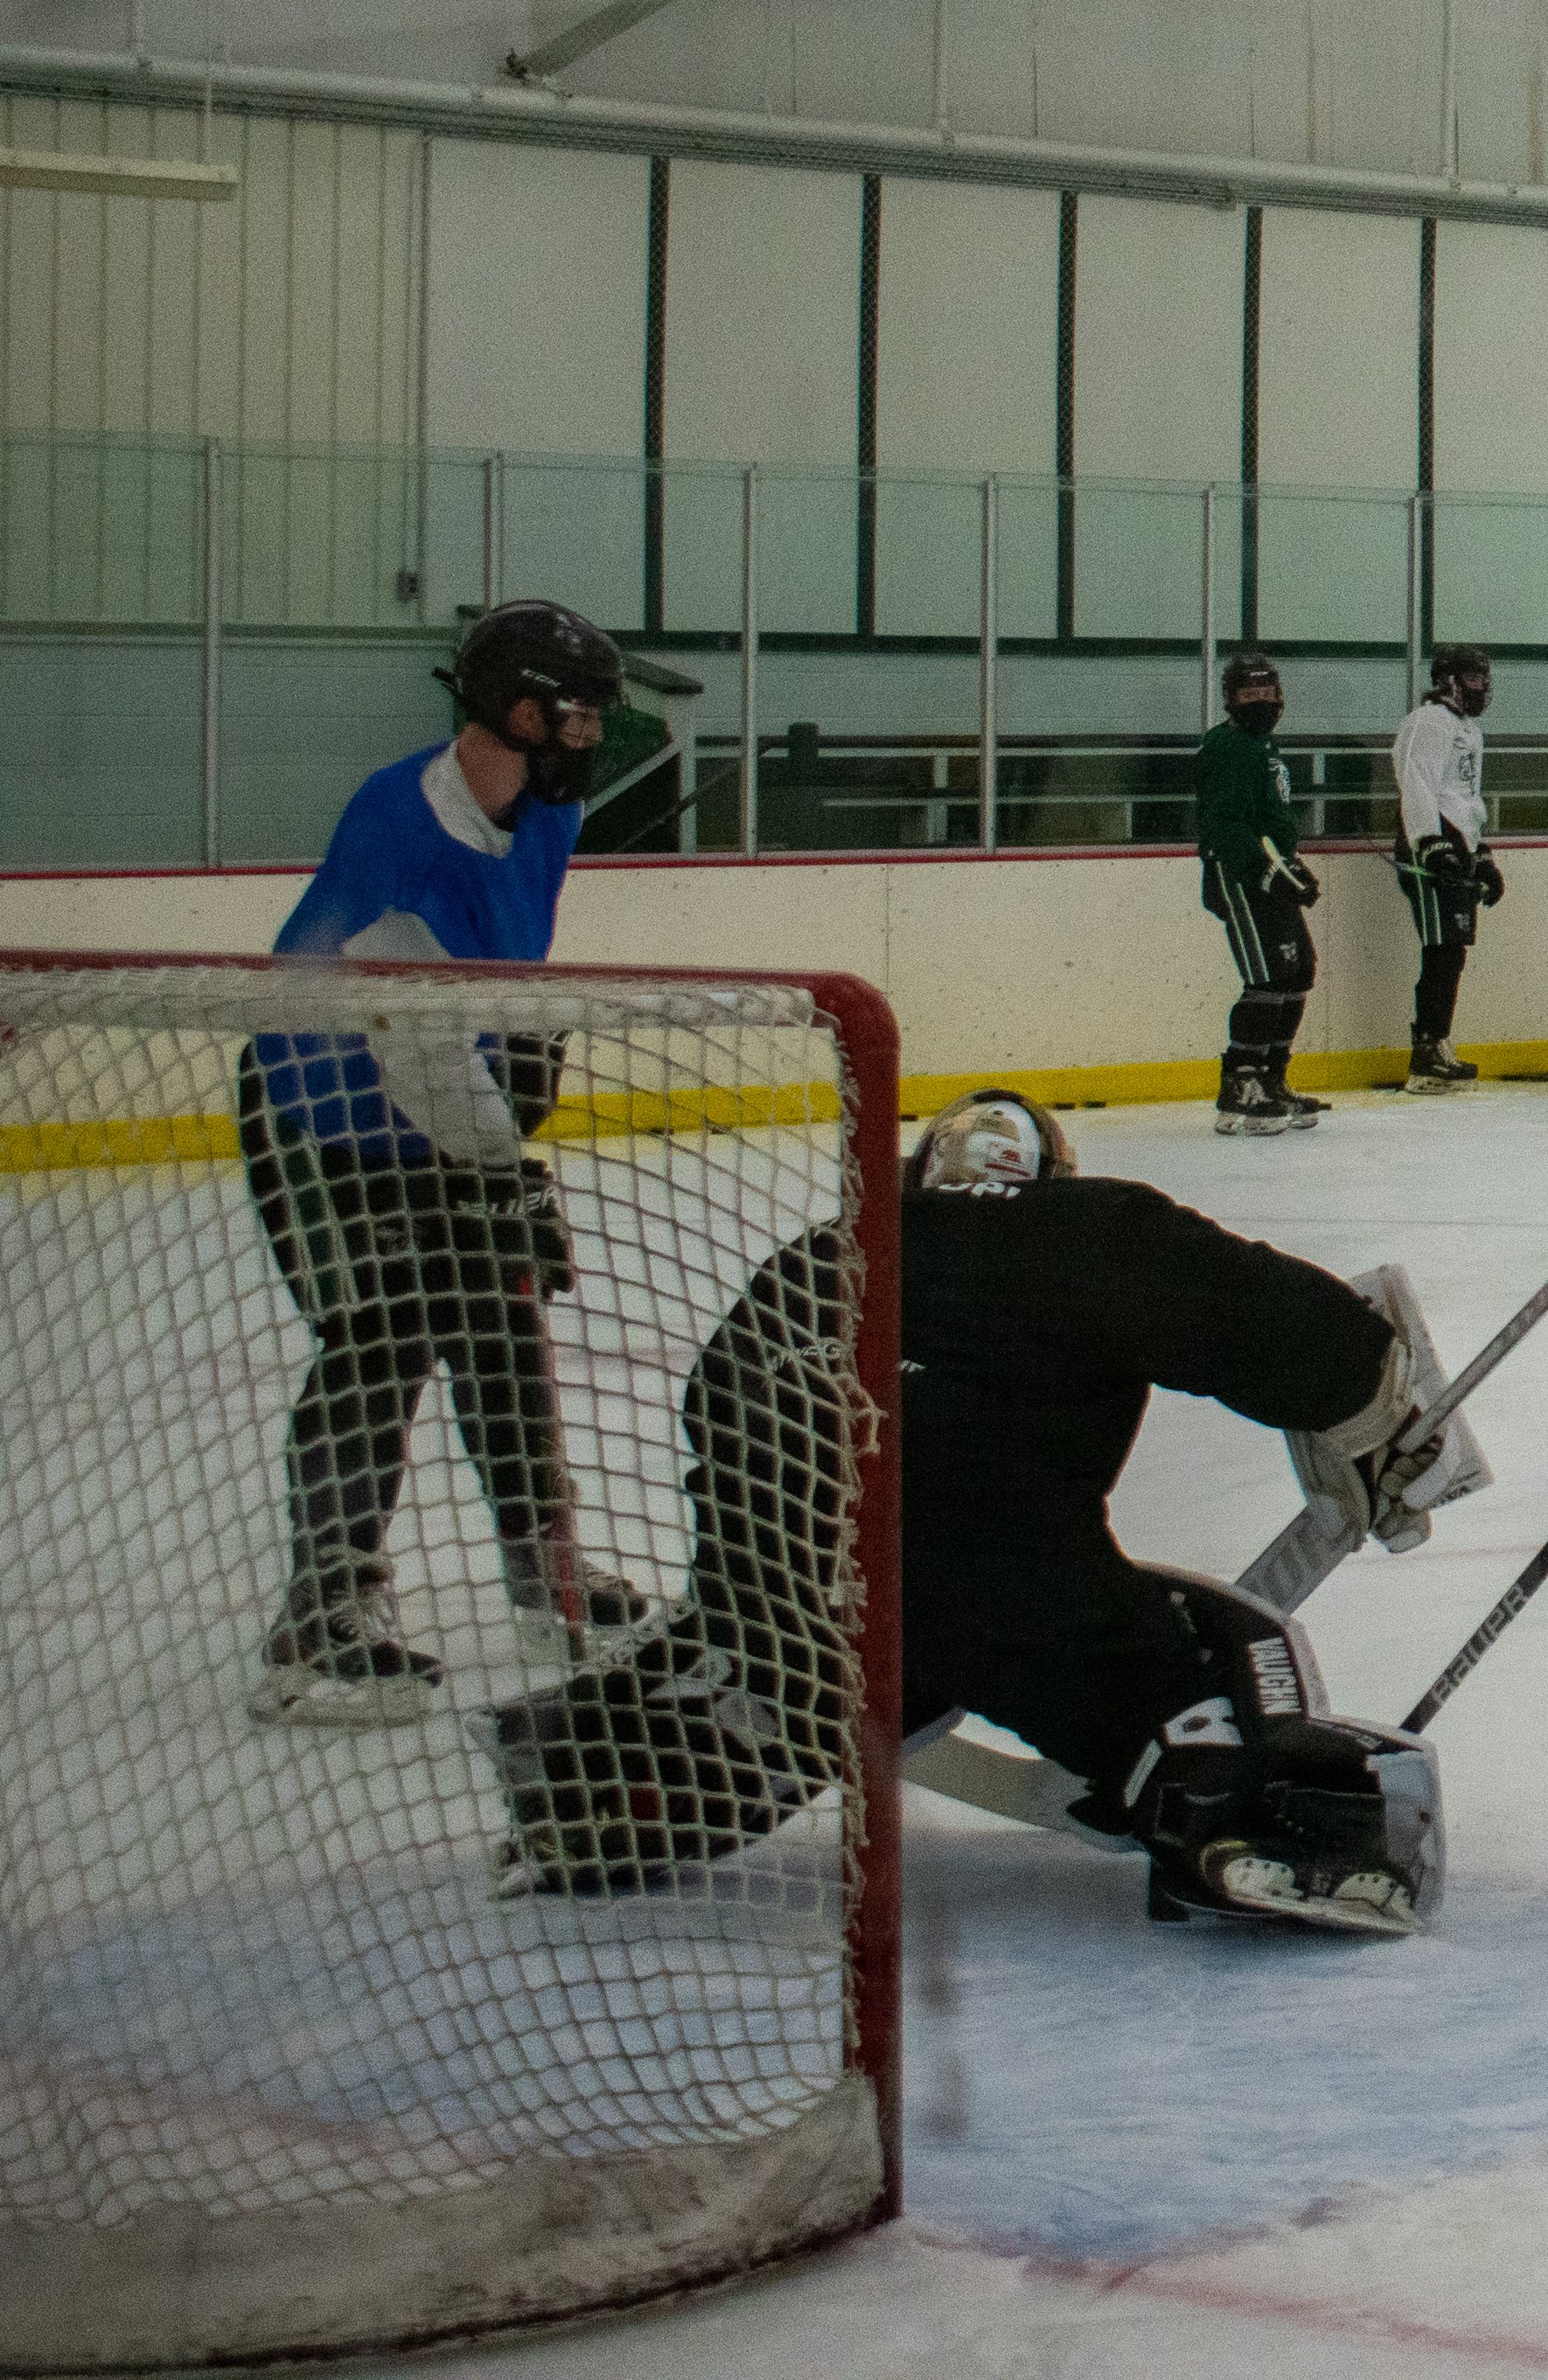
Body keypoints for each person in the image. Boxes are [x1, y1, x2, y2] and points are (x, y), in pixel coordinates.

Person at [480, 1092, 1449, 1932]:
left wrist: (753, 1597)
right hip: (1009, 1595)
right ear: (1050, 1172)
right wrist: (1382, 1399)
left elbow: (711, 1421)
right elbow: (1304, 1344)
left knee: (778, 1650)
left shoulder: (823, 1250)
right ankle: (1238, 1812)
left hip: (795, 1604)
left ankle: (604, 1771)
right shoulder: (1095, 1226)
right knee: (1198, 1643)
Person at [240, 600, 648, 1724]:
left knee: (501, 1319)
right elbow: (410, 1035)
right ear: (518, 708)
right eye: (575, 716)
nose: (590, 737)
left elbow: (495, 989)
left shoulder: (549, 815)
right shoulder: (400, 827)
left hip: (440, 1096)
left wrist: (510, 1121)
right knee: (379, 1336)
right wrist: (502, 1168)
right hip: (321, 1114)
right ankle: (322, 1613)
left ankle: (543, 1564)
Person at [1195, 651, 1327, 1138]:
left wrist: (1289, 865)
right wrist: (1265, 868)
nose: (1261, 703)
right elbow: (1225, 824)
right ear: (1231, 699)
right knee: (1267, 978)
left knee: (1298, 971)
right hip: (1239, 878)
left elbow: (1270, 821)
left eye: (1268, 693)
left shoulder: (1265, 746)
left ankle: (1272, 1077)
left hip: (1267, 873)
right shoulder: (1227, 747)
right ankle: (1241, 1083)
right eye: (1250, 695)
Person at [1395, 644, 1502, 1095]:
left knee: (1452, 950)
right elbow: (1415, 784)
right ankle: (1427, 1053)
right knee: (1441, 951)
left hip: (1457, 847)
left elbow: (1465, 800)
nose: (1484, 687)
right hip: (1430, 851)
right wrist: (1431, 843)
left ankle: (1436, 1044)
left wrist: (1481, 855)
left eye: (1486, 678)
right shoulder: (1427, 722)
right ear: (1449, 681)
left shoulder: (1468, 731)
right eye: (1475, 678)